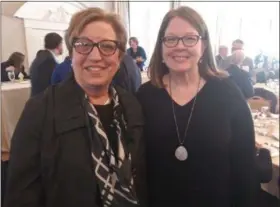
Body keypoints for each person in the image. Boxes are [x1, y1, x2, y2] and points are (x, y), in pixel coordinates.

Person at [4, 8, 146, 207]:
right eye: (84, 45)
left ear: (119, 57)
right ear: (71, 53)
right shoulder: (40, 110)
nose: (95, 56)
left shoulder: (132, 105)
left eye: (107, 46)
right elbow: (21, 196)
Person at [137, 6, 258, 207]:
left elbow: (245, 169)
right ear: (161, 46)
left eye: (190, 38)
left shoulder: (228, 94)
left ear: (203, 46)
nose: (179, 46)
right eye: (171, 39)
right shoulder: (145, 96)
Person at [30, 32, 63, 96]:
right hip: (44, 102)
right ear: (58, 45)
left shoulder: (40, 57)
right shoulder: (49, 61)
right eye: (61, 44)